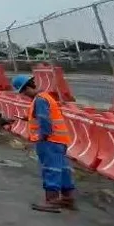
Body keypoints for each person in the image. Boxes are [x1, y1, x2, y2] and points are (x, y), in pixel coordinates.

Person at [13, 74, 76, 212]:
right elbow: (43, 117)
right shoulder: (45, 97)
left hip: (49, 141)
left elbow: (44, 120)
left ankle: (52, 200)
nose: (24, 95)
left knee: (50, 169)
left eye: (23, 92)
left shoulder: (40, 100)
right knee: (63, 169)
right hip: (59, 141)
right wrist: (27, 118)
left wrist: (42, 137)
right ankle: (68, 198)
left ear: (27, 88)